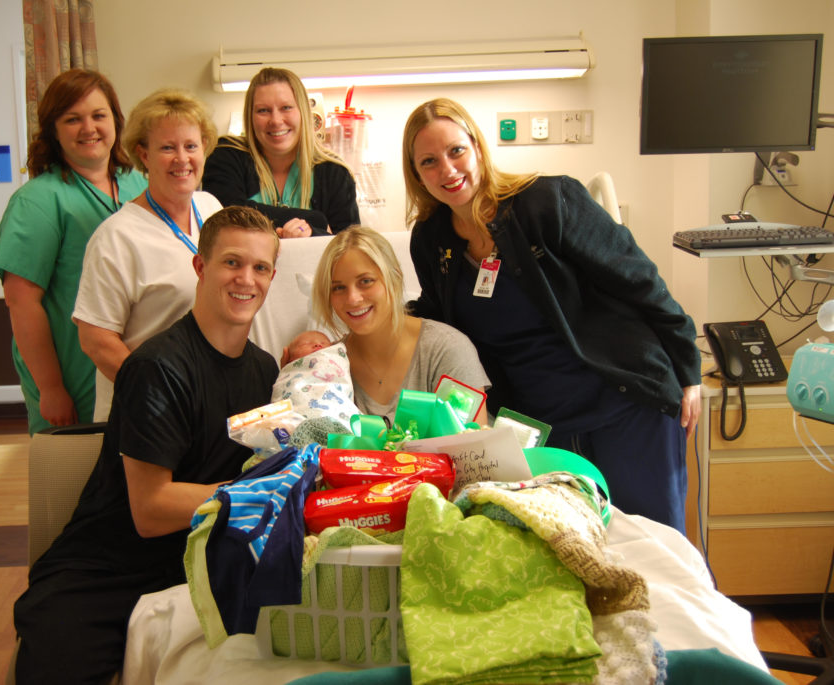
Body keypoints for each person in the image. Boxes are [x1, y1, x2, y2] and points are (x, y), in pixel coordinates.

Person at [401, 97, 701, 531]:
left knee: (654, 549)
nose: (447, 170)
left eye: (456, 151)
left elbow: (638, 279)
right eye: (429, 161)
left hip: (623, 406)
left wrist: (688, 368)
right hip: (542, 431)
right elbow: (436, 317)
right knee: (574, 556)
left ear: (478, 148)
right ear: (416, 175)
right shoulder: (432, 240)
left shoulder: (547, 202)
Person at [12, 206, 281, 684]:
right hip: (105, 575)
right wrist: (266, 493)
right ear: (200, 268)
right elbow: (151, 509)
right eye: (232, 262)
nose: (247, 279)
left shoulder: (264, 372)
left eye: (260, 267)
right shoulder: (158, 367)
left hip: (196, 566)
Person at [0, 69, 145, 435]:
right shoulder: (38, 201)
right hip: (74, 372)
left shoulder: (138, 184)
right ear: (53, 130)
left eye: (98, 115)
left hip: (133, 363)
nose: (88, 128)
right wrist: (51, 387)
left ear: (116, 122)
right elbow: (21, 302)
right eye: (72, 119)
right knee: (75, 480)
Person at [73, 88, 223, 421]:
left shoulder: (211, 209)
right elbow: (96, 339)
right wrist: (155, 392)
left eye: (191, 146)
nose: (182, 159)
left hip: (206, 401)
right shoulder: (117, 237)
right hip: (146, 409)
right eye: (167, 148)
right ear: (144, 155)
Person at [311, 225, 489, 424]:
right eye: (338, 288)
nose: (353, 298)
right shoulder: (326, 366)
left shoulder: (447, 348)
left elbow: (475, 449)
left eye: (366, 281)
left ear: (395, 278)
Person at [203, 67, 359, 237]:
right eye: (263, 110)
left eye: (286, 107)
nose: (276, 121)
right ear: (250, 116)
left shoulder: (335, 174)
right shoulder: (226, 155)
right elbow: (227, 217)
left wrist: (310, 232)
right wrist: (318, 221)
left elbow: (350, 251)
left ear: (303, 112)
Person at [272, 330, 360, 429]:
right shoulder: (290, 373)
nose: (317, 345)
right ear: (289, 356)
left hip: (336, 415)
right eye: (305, 344)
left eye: (323, 343)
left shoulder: (337, 359)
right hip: (299, 417)